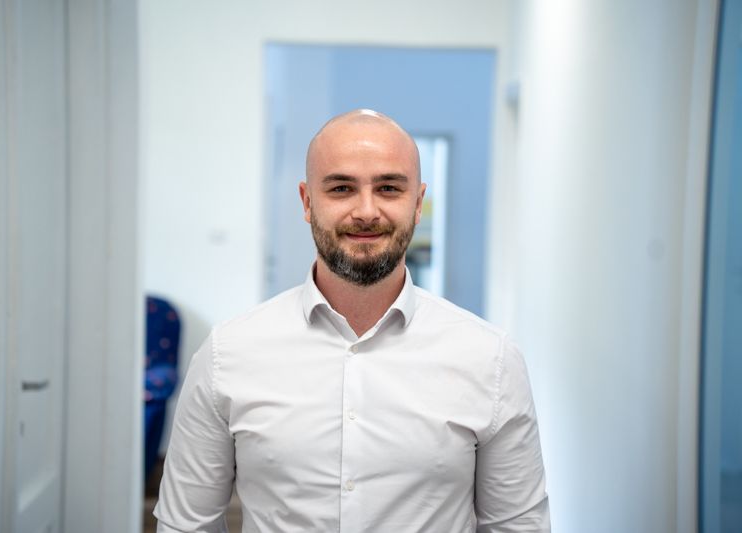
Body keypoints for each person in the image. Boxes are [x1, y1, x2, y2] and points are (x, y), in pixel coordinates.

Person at [154, 109, 550, 532]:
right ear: (308, 202)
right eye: (341, 188)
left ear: (418, 203)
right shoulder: (226, 355)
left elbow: (518, 527)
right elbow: (185, 525)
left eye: (389, 188)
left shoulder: (491, 360)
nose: (366, 211)